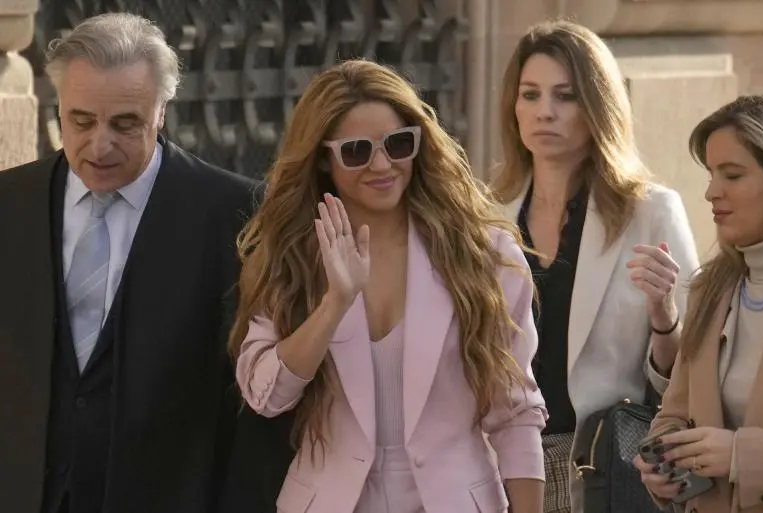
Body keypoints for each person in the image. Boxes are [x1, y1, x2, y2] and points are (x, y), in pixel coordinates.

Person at [0, 13, 292, 513]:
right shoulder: (10, 204)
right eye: (81, 121)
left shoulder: (236, 215)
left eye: (125, 123)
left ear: (161, 112)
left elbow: (253, 401)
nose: (100, 145)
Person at [230, 59, 548, 513]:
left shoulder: (483, 254)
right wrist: (334, 304)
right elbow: (266, 396)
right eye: (356, 151)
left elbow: (515, 412)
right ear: (323, 159)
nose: (382, 164)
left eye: (398, 144)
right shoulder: (294, 256)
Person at [493, 20, 700, 513]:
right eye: (530, 94)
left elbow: (691, 377)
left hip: (601, 468)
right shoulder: (488, 214)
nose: (545, 111)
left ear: (597, 106)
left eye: (565, 96)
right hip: (499, 469)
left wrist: (664, 316)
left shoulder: (652, 212)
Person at [635, 95, 763, 513]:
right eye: (711, 174)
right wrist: (663, 463)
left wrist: (742, 457)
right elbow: (673, 414)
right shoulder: (711, 290)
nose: (712, 192)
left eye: (732, 175)